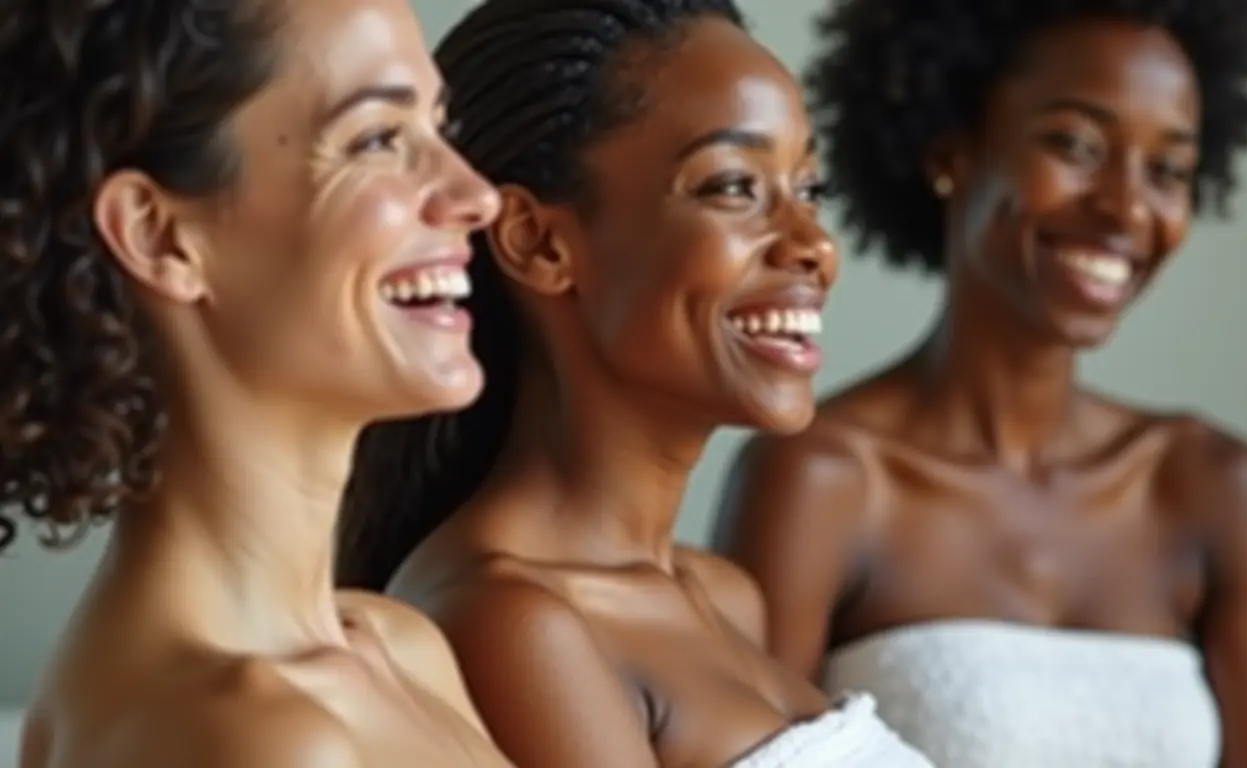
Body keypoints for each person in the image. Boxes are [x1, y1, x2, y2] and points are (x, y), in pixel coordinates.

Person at [337, 0, 932, 765]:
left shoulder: (725, 597)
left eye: (809, 190)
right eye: (732, 187)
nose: (813, 244)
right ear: (539, 242)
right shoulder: (513, 622)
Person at [714, 0, 1247, 766]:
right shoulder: (822, 480)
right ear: (951, 149)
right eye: (1076, 144)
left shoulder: (1210, 483)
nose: (1124, 206)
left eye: (1168, 169)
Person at [1, 1, 511, 766]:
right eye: (378, 139)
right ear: (159, 235)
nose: (476, 194)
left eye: (441, 129)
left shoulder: (398, 647)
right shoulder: (243, 737)